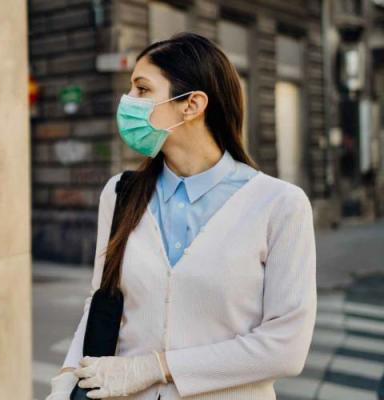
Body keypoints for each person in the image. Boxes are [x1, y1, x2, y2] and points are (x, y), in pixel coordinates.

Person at [46, 33, 317, 399]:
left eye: (142, 89)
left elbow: (285, 348)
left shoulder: (280, 204)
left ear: (191, 105)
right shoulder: (121, 193)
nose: (128, 102)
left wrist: (157, 367)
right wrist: (66, 380)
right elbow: (100, 302)